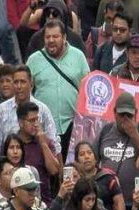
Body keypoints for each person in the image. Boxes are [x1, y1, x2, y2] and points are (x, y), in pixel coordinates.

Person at [27, 21, 89, 154]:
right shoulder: (33, 60)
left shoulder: (78, 57)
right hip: (43, 130)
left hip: (73, 128)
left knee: (70, 172)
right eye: (47, 37)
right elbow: (26, 94)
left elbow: (87, 91)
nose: (51, 40)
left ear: (64, 37)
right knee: (50, 170)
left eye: (55, 37)